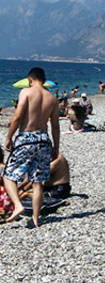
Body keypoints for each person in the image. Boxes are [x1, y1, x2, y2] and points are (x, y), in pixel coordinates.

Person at [2, 67, 60, 227]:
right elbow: (55, 126)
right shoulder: (52, 98)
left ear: (30, 79)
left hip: (26, 138)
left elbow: (18, 116)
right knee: (38, 181)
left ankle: (18, 205)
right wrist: (56, 147)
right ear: (44, 80)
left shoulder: (26, 92)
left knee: (8, 176)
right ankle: (35, 218)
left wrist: (9, 137)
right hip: (43, 140)